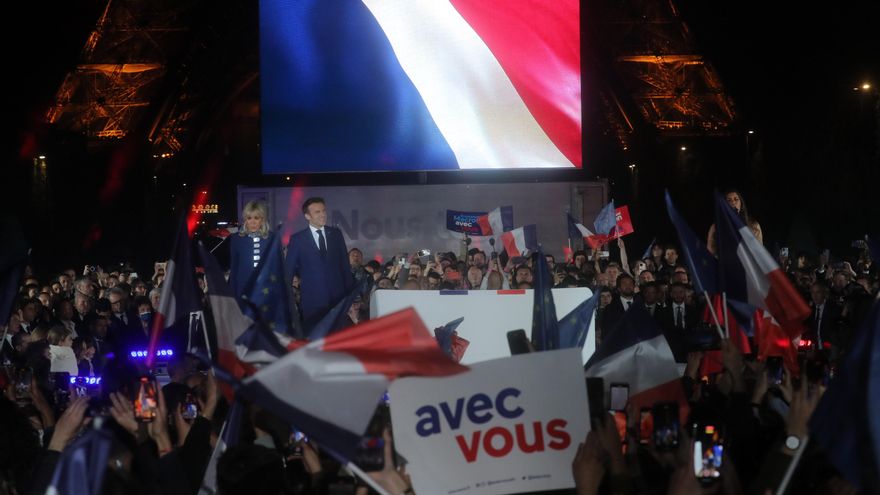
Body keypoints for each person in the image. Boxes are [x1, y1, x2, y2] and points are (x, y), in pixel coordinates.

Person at [285, 197, 354, 326]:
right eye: (317, 212)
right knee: (315, 341)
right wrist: (287, 301)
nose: (323, 214)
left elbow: (345, 267)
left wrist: (349, 299)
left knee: (337, 340)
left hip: (338, 301)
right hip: (312, 302)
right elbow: (288, 272)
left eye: (324, 211)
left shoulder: (336, 234)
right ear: (307, 216)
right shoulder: (297, 240)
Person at [229, 200, 273, 302]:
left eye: (256, 218)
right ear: (245, 220)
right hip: (243, 289)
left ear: (262, 220)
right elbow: (234, 267)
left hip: (266, 288)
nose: (252, 222)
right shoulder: (236, 239)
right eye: (249, 218)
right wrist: (232, 294)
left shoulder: (272, 238)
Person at [707, 189, 763, 254]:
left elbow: (759, 252)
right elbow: (711, 252)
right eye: (729, 200)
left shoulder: (753, 225)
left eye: (736, 199)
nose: (733, 202)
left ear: (741, 204)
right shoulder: (716, 227)